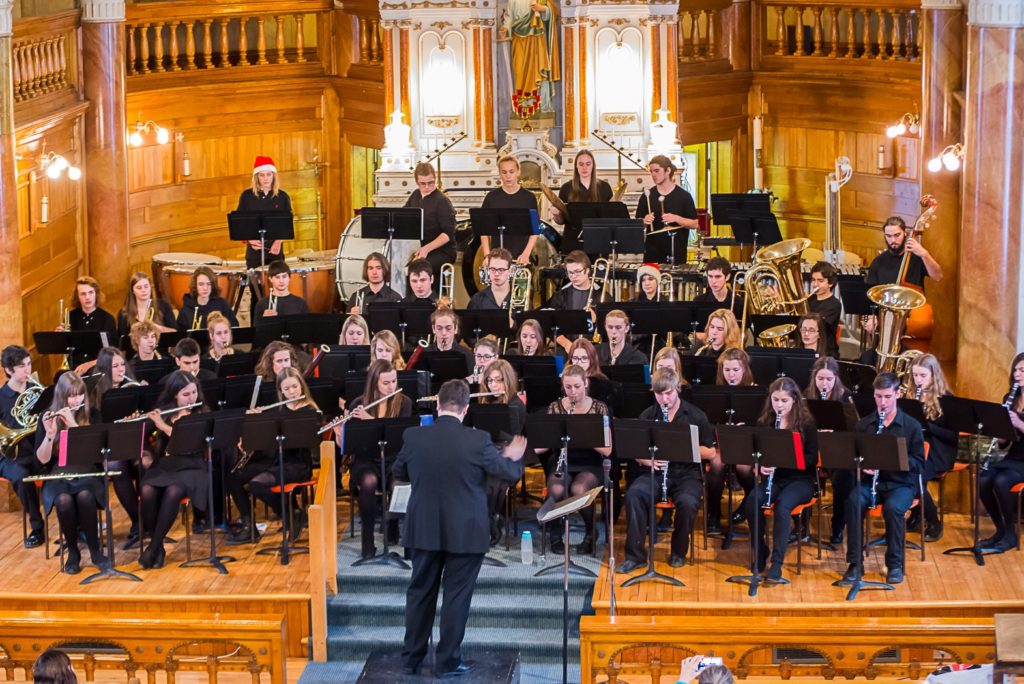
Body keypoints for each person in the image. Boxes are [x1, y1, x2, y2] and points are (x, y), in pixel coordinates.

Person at [393, 379, 526, 677]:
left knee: (419, 593)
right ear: (466, 409)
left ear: (438, 405)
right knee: (456, 597)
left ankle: (412, 658)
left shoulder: (414, 437)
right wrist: (512, 456)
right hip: (466, 532)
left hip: (423, 529)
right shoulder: (477, 440)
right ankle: (447, 662)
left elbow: (399, 471)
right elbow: (507, 474)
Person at [617, 369, 715, 572]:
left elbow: (711, 452)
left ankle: (678, 551)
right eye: (659, 394)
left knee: (688, 503)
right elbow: (636, 450)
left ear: (677, 389)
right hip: (655, 472)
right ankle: (636, 557)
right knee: (634, 494)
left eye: (669, 393)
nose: (664, 398)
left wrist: (682, 447)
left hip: (687, 474)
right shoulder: (648, 415)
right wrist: (647, 461)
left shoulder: (696, 415)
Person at [842, 372, 926, 585]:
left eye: (888, 396)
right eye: (879, 396)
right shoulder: (865, 425)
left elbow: (919, 463)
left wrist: (896, 459)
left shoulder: (911, 426)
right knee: (853, 501)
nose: (883, 402)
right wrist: (862, 466)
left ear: (897, 394)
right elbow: (853, 459)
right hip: (872, 483)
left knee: (893, 508)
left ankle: (895, 564)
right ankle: (855, 563)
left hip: (901, 484)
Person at [227, 367, 318, 544]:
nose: (291, 392)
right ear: (280, 391)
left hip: (297, 464)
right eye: (286, 389)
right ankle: (249, 527)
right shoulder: (277, 410)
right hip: (274, 461)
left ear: (301, 386)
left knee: (256, 485)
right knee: (233, 478)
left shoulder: (310, 411)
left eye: (294, 387)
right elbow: (262, 441)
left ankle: (292, 515)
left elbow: (309, 442)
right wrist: (254, 422)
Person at [742, 377, 817, 581]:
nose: (779, 405)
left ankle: (776, 563)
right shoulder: (765, 422)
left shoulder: (806, 424)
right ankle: (760, 551)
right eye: (775, 400)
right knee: (751, 502)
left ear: (794, 400)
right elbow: (755, 452)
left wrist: (787, 459)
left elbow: (812, 458)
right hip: (774, 479)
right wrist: (760, 465)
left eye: (784, 400)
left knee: (783, 506)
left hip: (801, 480)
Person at [338, 360, 413, 559]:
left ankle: (396, 529)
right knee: (368, 482)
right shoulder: (358, 404)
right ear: (374, 383)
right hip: (366, 459)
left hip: (394, 459)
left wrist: (370, 421)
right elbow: (353, 446)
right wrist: (341, 432)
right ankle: (367, 541)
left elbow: (401, 439)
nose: (392, 387)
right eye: (386, 383)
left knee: (398, 483)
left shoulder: (404, 402)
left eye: (394, 381)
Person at [35, 372, 107, 574]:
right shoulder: (47, 417)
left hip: (87, 470)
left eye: (80, 394)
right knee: (64, 500)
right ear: (61, 397)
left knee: (85, 496)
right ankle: (73, 552)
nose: (77, 400)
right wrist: (50, 435)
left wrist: (74, 426)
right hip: (58, 473)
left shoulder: (92, 414)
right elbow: (42, 460)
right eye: (71, 396)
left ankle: (95, 550)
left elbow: (95, 454)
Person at [537, 364, 613, 554]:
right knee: (557, 487)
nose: (573, 392)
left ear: (585, 383)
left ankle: (591, 532)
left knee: (579, 489)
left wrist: (582, 432)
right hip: (563, 459)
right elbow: (540, 448)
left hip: (590, 462)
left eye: (577, 386)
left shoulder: (599, 408)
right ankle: (555, 536)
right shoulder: (555, 407)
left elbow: (608, 449)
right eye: (568, 387)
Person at [138, 371, 208, 569]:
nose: (191, 398)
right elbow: (142, 433)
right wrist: (139, 421)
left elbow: (188, 442)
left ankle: (152, 548)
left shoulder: (201, 412)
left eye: (194, 392)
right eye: (186, 394)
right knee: (147, 490)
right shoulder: (165, 411)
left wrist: (162, 425)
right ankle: (158, 546)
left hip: (193, 466)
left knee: (174, 491)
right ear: (175, 395)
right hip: (167, 465)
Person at [90, 346, 146, 546]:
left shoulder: (133, 387)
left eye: (122, 364)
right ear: (105, 369)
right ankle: (137, 520)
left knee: (146, 462)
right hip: (109, 447)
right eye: (115, 366)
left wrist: (139, 413)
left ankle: (150, 517)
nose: (121, 369)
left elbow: (147, 424)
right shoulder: (95, 394)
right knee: (115, 467)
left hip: (134, 441)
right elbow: (96, 429)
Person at [804, 355, 858, 544]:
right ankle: (802, 525)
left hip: (836, 449)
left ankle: (838, 526)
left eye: (829, 379)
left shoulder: (845, 397)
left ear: (836, 378)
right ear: (814, 378)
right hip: (814, 448)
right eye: (820, 379)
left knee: (844, 476)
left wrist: (833, 431)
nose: (824, 384)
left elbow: (854, 430)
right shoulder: (807, 395)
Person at [863, 215, 943, 339]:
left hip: (912, 318)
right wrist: (871, 317)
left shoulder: (917, 257)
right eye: (888, 236)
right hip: (886, 321)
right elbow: (871, 295)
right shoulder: (878, 262)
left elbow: (938, 276)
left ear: (905, 234)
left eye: (897, 235)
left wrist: (924, 254)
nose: (892, 240)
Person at [904, 353, 956, 542]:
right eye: (915, 375)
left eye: (923, 376)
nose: (918, 380)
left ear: (934, 375)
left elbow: (951, 436)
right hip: (916, 447)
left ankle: (934, 521)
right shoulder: (910, 394)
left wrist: (927, 425)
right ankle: (917, 515)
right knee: (901, 467)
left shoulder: (947, 399)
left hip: (939, 450)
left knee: (915, 475)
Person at [704, 347, 756, 535]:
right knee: (716, 463)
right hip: (721, 442)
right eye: (727, 370)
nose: (731, 375)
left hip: (746, 444)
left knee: (743, 467)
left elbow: (760, 424)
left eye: (735, 370)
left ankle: (747, 506)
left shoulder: (754, 392)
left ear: (744, 370)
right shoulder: (716, 392)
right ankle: (713, 514)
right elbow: (708, 423)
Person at [978, 352, 1024, 553]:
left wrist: (1020, 424)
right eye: (1015, 370)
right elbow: (1007, 442)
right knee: (983, 479)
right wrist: (1001, 434)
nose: (1017, 374)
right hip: (1015, 457)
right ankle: (1001, 530)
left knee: (1002, 481)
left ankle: (1011, 532)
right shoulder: (1010, 398)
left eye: (1022, 370)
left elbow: (1019, 428)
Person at [0, 346, 45, 547]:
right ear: (9, 370)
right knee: (20, 476)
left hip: (37, 449)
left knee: (64, 466)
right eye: (21, 367)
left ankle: (76, 526)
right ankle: (37, 527)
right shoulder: (1, 398)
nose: (28, 371)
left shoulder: (37, 391)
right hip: (11, 455)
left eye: (29, 364)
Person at [479, 359, 527, 543]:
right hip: (488, 452)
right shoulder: (484, 402)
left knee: (493, 479)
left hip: (510, 454)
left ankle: (492, 520)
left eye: (498, 380)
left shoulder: (516, 405)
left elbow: (514, 438)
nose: (493, 385)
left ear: (508, 380)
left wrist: (504, 453)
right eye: (490, 381)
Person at [636, 155, 699, 264]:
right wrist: (643, 221)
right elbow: (637, 225)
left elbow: (695, 224)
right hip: (652, 254)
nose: (653, 175)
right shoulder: (647, 196)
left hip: (677, 253)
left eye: (656, 171)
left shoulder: (684, 196)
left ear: (668, 170)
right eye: (651, 172)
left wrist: (676, 218)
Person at [404, 162, 457, 284]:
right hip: (420, 248)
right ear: (417, 182)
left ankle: (432, 300)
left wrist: (426, 249)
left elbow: (448, 234)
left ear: (435, 179)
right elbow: (405, 216)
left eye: (431, 182)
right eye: (423, 184)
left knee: (419, 269)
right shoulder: (415, 195)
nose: (427, 187)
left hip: (442, 251)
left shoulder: (442, 201)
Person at [553, 149, 613, 254]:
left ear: (593, 166)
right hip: (572, 243)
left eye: (588, 164)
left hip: (598, 243)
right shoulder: (566, 188)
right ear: (576, 166)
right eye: (580, 164)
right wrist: (556, 214)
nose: (584, 168)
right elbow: (560, 221)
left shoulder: (604, 188)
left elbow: (610, 218)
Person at [480, 158, 539, 264]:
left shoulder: (529, 197)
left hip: (521, 256)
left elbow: (535, 230)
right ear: (499, 173)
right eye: (504, 172)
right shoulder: (491, 197)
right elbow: (484, 231)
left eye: (511, 172)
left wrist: (526, 253)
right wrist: (487, 255)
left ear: (518, 172)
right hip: (496, 256)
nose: (508, 176)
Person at [236, 155, 291, 269]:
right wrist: (250, 240)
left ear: (273, 176)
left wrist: (278, 242)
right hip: (254, 252)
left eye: (269, 174)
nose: (266, 178)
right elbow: (240, 224)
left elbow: (286, 224)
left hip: (275, 251)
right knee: (256, 285)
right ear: (257, 177)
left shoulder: (283, 197)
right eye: (262, 175)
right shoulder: (247, 196)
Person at [61, 276, 117, 371]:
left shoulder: (107, 319)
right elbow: (66, 349)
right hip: (74, 366)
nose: (87, 297)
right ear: (77, 297)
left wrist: (88, 365)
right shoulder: (70, 317)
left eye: (90, 292)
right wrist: (59, 338)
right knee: (59, 377)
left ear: (96, 294)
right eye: (83, 294)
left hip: (99, 366)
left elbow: (111, 353)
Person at [550, 250, 595, 353]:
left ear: (587, 270)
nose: (573, 276)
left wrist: (597, 319)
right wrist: (567, 345)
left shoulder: (602, 295)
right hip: (567, 348)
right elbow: (551, 327)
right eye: (570, 272)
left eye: (577, 271)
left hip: (593, 349)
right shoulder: (560, 296)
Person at [175, 266, 238, 330]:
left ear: (212, 285)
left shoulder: (222, 305)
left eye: (208, 284)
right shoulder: (187, 308)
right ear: (195, 286)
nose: (205, 288)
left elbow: (234, 328)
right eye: (201, 284)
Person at [117, 272, 175, 338]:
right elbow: (122, 340)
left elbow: (175, 332)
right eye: (139, 288)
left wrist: (159, 328)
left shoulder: (163, 306)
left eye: (146, 286)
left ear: (150, 287)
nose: (143, 290)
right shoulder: (124, 313)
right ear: (132, 290)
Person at [694, 257, 744, 324]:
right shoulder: (699, 301)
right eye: (710, 276)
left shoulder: (739, 302)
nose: (713, 281)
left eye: (718, 277)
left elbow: (744, 332)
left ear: (727, 277)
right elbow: (697, 331)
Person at [807, 261, 842, 356]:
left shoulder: (834, 304)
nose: (815, 284)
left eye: (820, 281)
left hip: (825, 352)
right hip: (809, 347)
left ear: (830, 283)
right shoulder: (809, 299)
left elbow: (815, 326)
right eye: (813, 280)